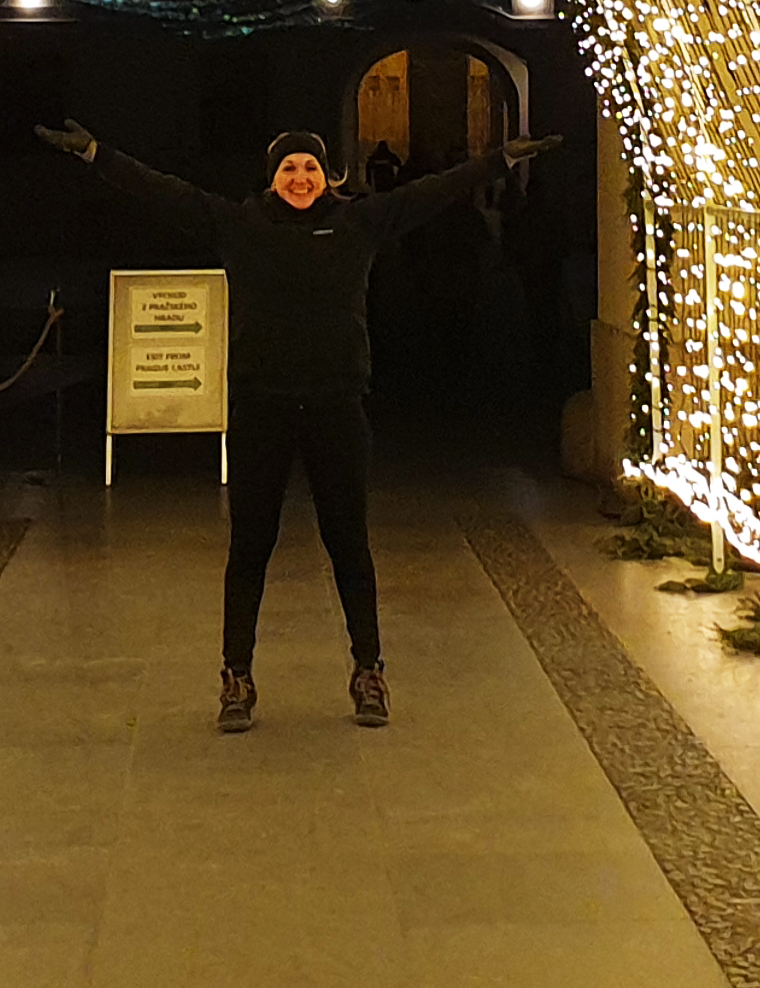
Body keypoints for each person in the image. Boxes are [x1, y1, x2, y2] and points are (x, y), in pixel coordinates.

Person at [39, 118, 556, 730]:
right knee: (250, 547)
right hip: (263, 406)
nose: (300, 178)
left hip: (337, 405)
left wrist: (497, 159)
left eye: (309, 167)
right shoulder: (241, 225)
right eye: (289, 168)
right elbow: (164, 191)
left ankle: (369, 672)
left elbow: (432, 192)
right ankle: (237, 677)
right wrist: (99, 153)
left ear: (327, 174)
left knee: (349, 546)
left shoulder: (357, 222)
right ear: (272, 177)